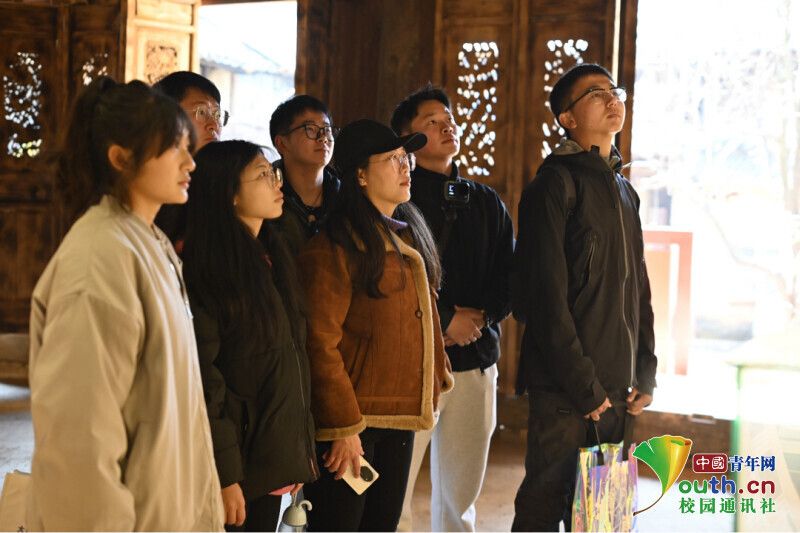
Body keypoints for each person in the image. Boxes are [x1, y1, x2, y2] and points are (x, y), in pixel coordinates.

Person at [27, 76, 223, 531]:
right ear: (121, 158)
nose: (190, 162)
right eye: (174, 148)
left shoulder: (149, 242)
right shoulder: (99, 260)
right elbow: (80, 442)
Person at [510, 63, 658, 531]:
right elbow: (545, 298)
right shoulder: (554, 184)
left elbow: (638, 288)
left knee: (604, 518)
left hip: (617, 391)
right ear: (567, 119)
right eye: (596, 94)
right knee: (542, 509)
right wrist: (583, 385)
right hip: (565, 391)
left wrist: (646, 368)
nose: (613, 99)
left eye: (615, 91)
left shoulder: (625, 191)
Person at [298, 119, 454, 532]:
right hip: (354, 424)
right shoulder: (334, 246)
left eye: (406, 158)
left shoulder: (408, 234)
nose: (406, 167)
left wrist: (437, 380)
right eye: (391, 159)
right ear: (361, 176)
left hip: (399, 418)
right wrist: (344, 427)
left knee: (381, 525)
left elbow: (425, 318)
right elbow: (319, 343)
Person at [390, 85, 514, 532]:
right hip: (411, 362)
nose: (448, 127)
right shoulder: (396, 201)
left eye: (450, 120)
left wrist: (479, 320)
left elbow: (509, 274)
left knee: (460, 497)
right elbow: (391, 280)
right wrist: (444, 322)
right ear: (408, 139)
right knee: (395, 493)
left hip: (475, 360)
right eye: (433, 122)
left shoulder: (485, 200)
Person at [182, 140, 318, 531]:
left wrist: (295, 452)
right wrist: (226, 475)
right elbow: (205, 380)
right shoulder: (208, 269)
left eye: (273, 173)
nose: (277, 182)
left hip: (266, 455)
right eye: (262, 175)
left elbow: (290, 361)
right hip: (236, 463)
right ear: (230, 194)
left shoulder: (272, 256)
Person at [153, 71, 229, 245]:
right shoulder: (156, 186)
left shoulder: (221, 183)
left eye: (218, 115)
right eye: (201, 112)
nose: (214, 125)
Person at [266, 95, 340, 255]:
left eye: (327, 130)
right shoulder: (263, 196)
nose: (323, 138)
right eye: (310, 129)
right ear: (281, 143)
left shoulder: (345, 196)